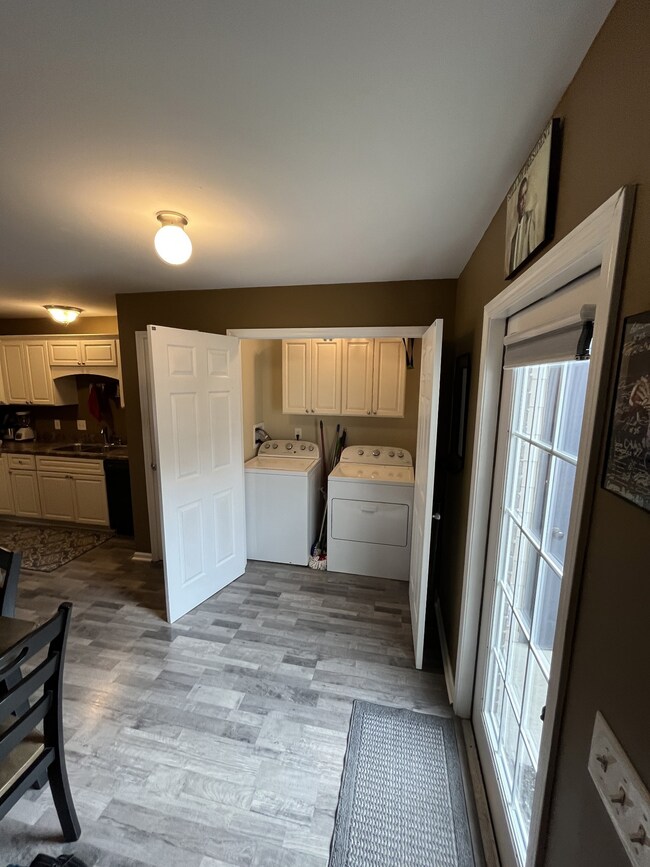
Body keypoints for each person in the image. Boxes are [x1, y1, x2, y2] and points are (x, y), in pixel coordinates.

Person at [508, 176, 537, 274]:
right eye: (521, 196)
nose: (523, 200)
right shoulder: (513, 239)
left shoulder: (530, 221)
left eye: (525, 194)